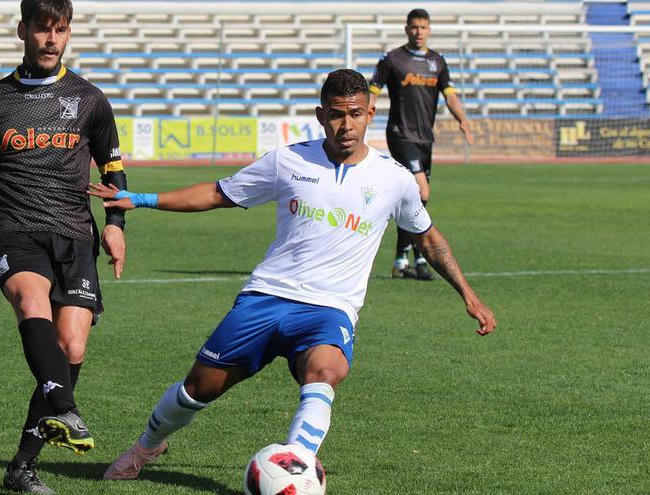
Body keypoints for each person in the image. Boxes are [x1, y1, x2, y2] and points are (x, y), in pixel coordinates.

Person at [90, 69, 496, 482]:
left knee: (326, 372)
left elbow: (428, 238)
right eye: (337, 115)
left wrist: (469, 294)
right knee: (199, 388)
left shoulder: (394, 179)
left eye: (355, 114)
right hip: (267, 296)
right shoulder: (289, 160)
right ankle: (146, 446)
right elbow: (218, 193)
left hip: (330, 308)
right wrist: (139, 199)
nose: (346, 125)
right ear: (321, 115)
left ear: (370, 113)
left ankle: (296, 469)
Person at [0, 0, 129, 493]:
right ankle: (66, 408)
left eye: (60, 29)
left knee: (72, 344)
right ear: (23, 30)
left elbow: (112, 170)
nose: (51, 39)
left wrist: (116, 222)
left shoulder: (90, 99)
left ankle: (22, 467)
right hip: (15, 231)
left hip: (76, 236)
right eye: (42, 28)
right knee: (30, 301)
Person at [368, 8, 474, 280]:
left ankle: (406, 259)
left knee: (413, 197)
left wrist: (462, 119)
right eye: (414, 27)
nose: (418, 32)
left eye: (423, 27)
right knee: (422, 192)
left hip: (425, 139)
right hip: (401, 136)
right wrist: (364, 115)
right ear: (407, 29)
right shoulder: (393, 59)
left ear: (429, 30)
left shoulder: (438, 62)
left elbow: (450, 95)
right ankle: (415, 256)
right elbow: (373, 91)